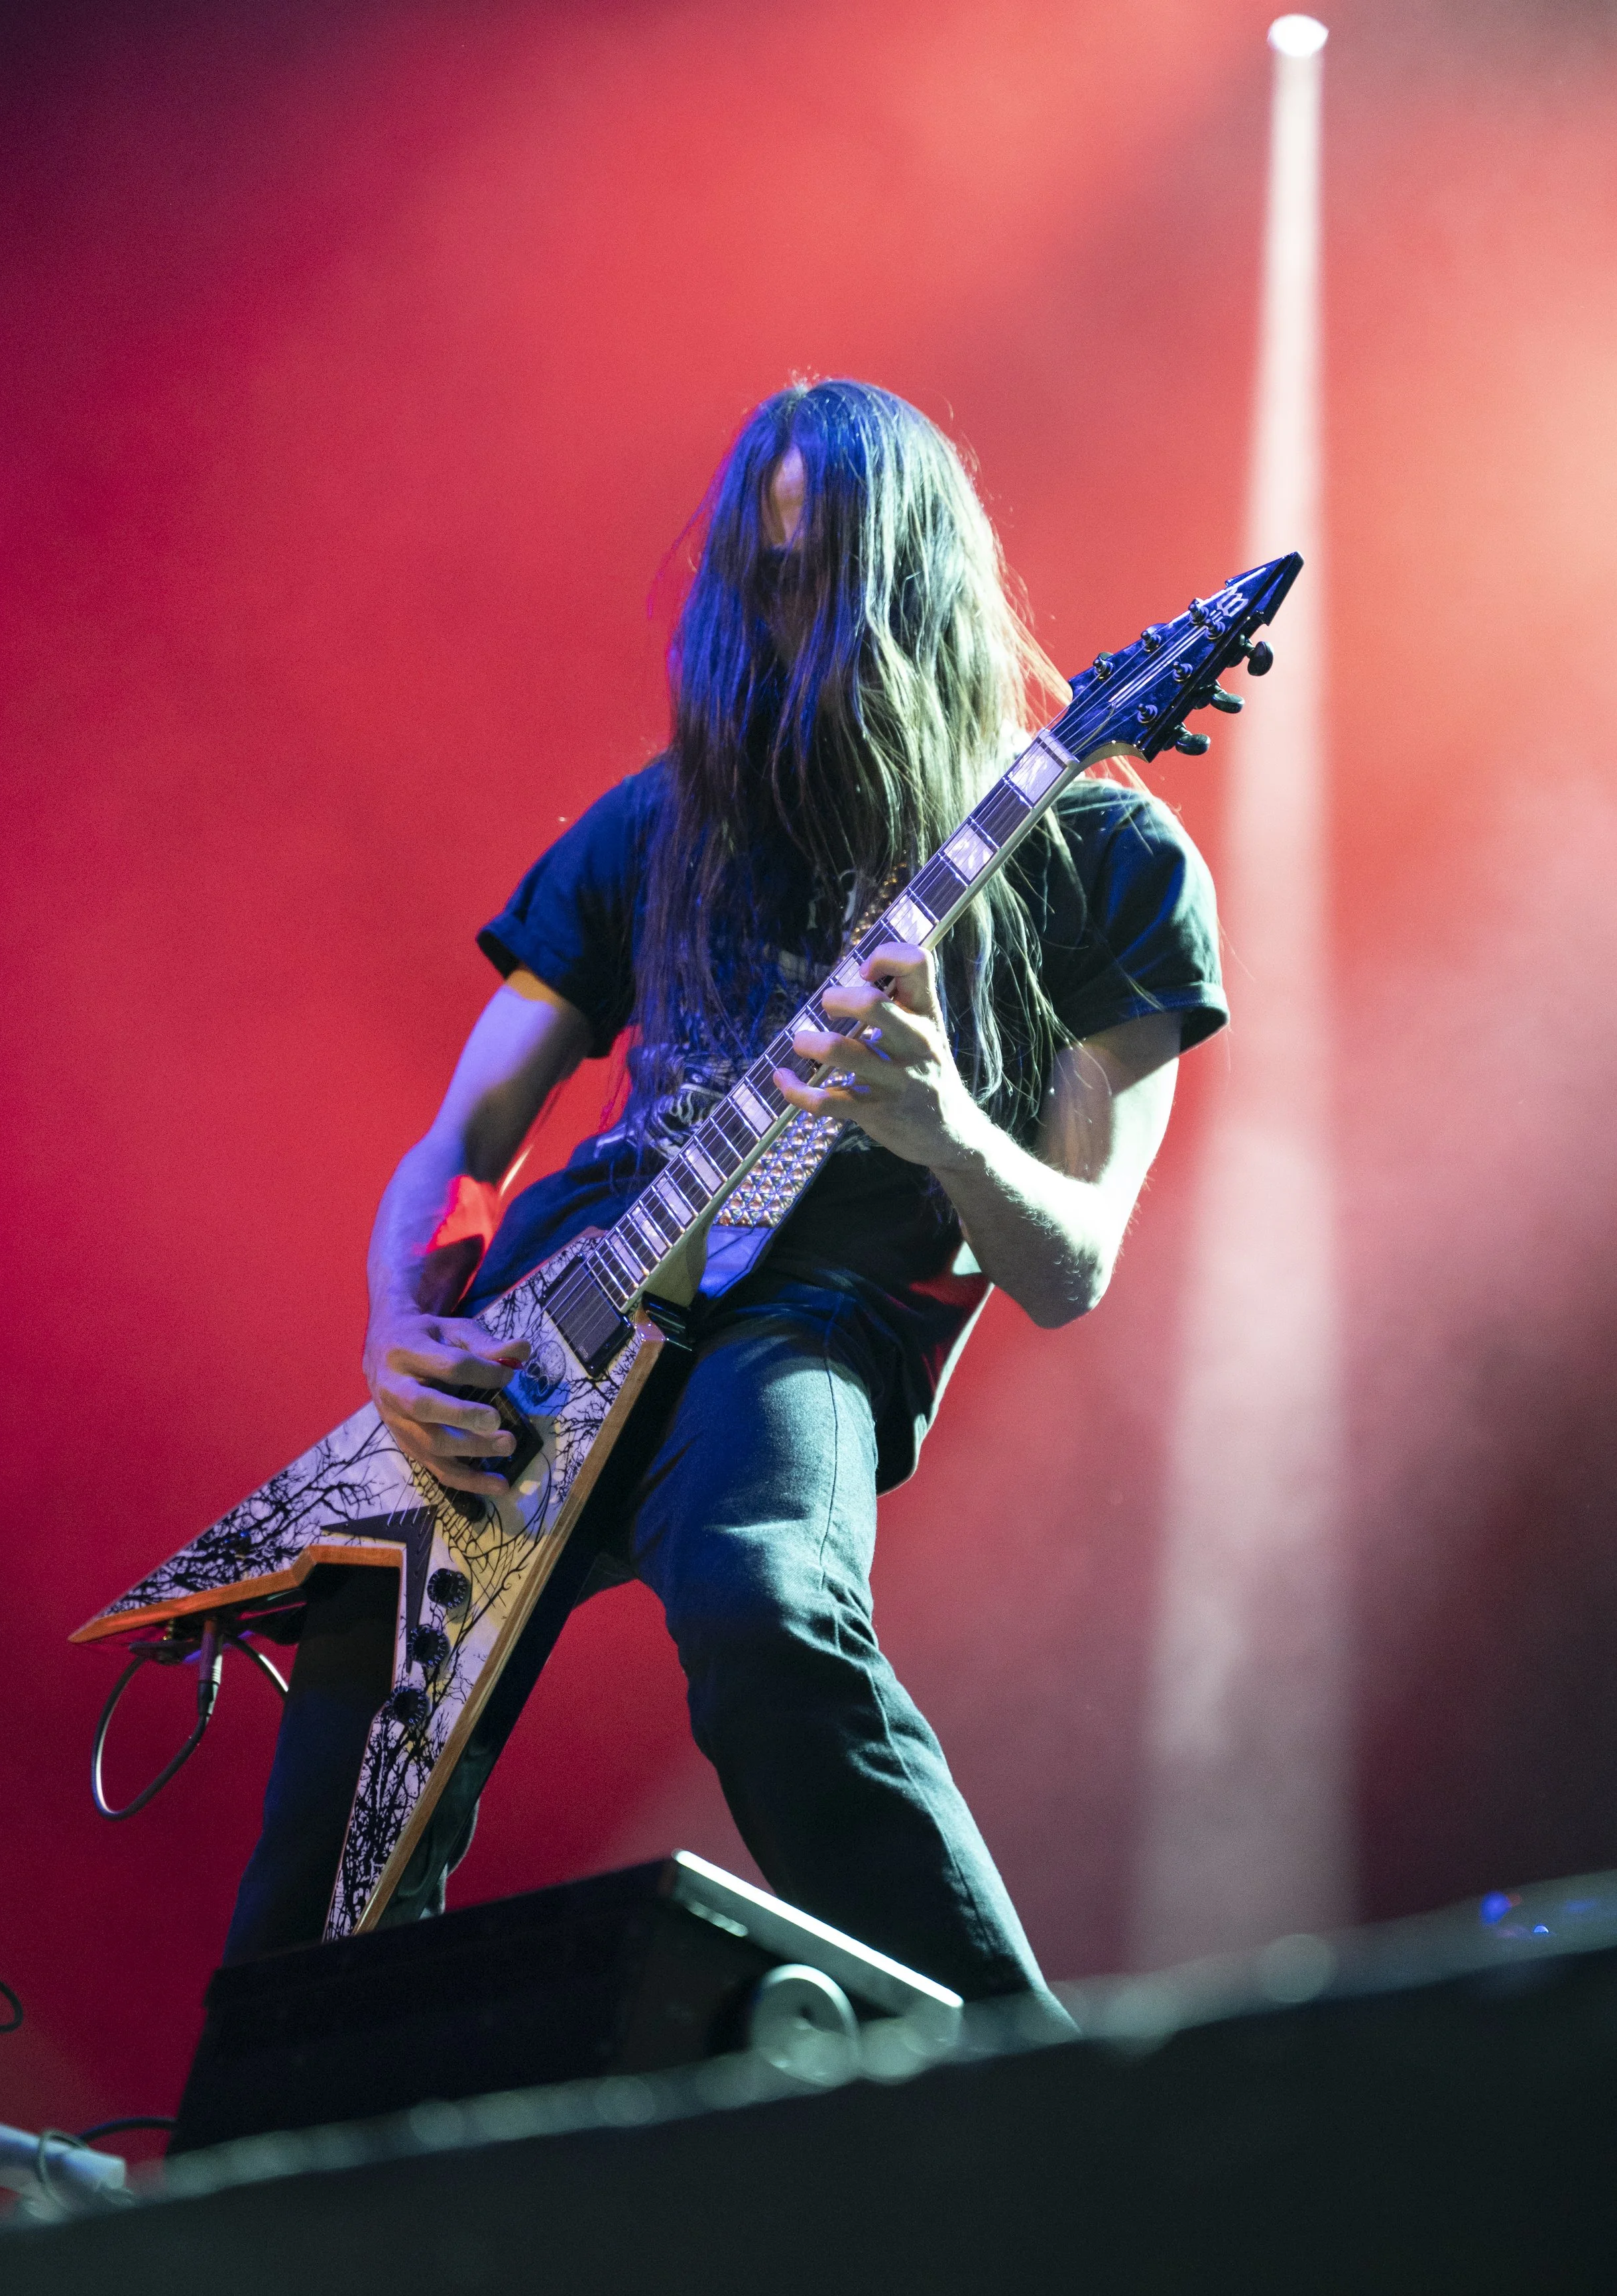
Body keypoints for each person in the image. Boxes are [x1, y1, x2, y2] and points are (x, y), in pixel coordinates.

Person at [224, 379, 1226, 2004]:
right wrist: (401, 1322)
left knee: (765, 1610)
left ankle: (1031, 2093)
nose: (781, 631)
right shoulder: (656, 820)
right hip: (547, 1325)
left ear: (919, 584)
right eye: (754, 586)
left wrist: (948, 1133)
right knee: (356, 1724)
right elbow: (464, 1141)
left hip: (800, 1323)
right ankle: (264, 2187)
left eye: (821, 582)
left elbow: (1070, 1266)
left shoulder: (1104, 858)